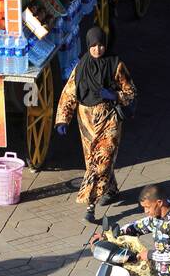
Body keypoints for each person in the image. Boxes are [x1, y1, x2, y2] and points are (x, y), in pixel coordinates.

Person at [54, 27, 138, 223]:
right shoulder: (82, 66)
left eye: (100, 45)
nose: (97, 49)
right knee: (95, 161)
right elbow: (69, 93)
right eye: (93, 46)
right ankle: (112, 190)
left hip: (109, 119)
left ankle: (90, 206)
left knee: (101, 161)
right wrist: (62, 119)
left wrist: (115, 95)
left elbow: (132, 92)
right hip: (86, 122)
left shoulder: (116, 65)